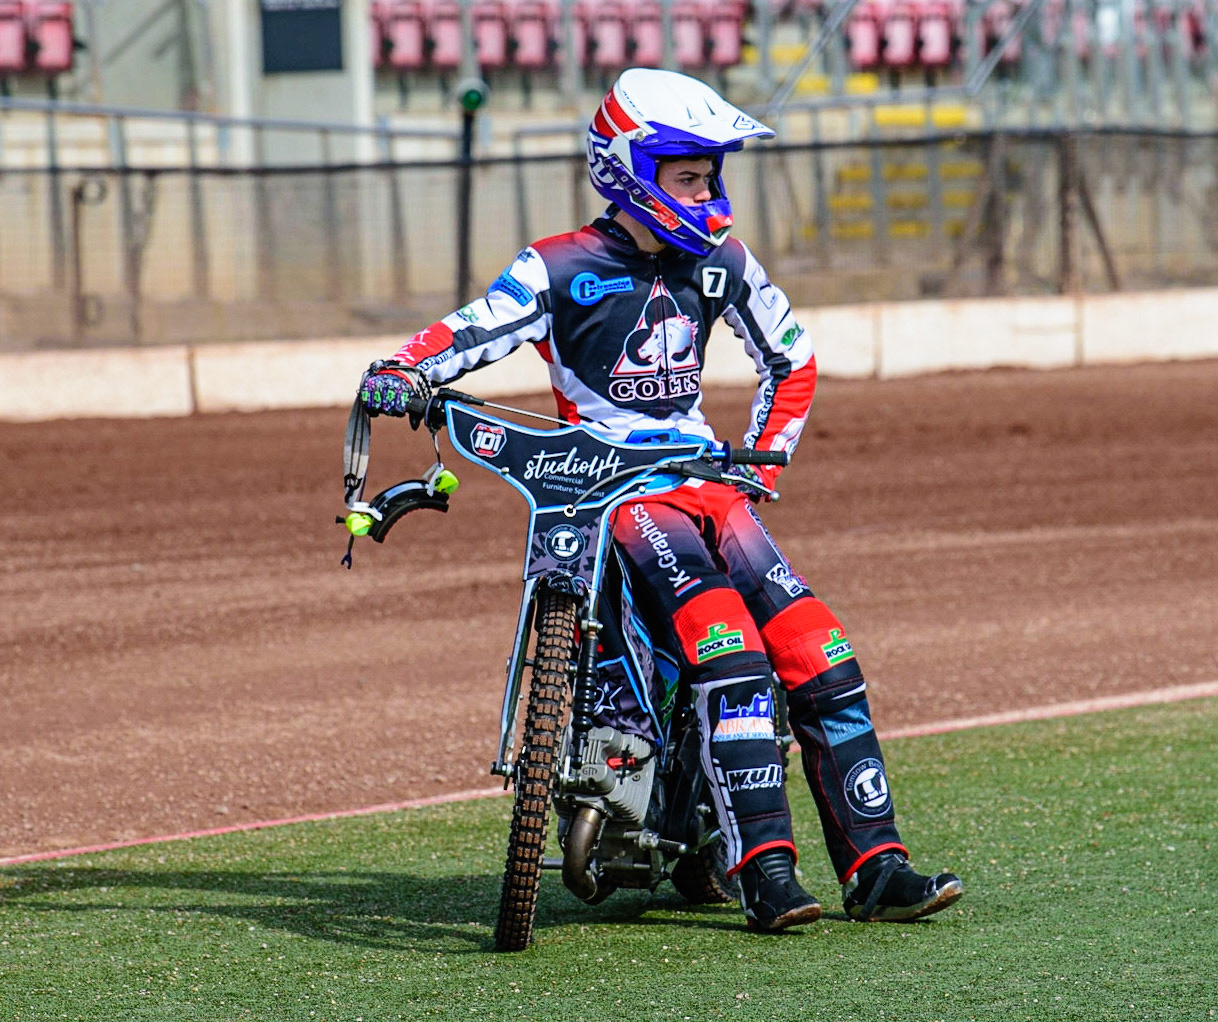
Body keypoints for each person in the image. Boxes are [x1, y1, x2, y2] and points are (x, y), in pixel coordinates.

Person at [358, 68, 962, 932]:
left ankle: (880, 868)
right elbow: (473, 328)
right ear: (629, 168)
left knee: (824, 654)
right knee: (733, 659)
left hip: (714, 492)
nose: (709, 191)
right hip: (618, 501)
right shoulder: (557, 266)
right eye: (690, 174)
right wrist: (404, 368)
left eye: (713, 175)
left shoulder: (721, 261)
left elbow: (792, 358)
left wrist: (760, 469)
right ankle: (770, 878)